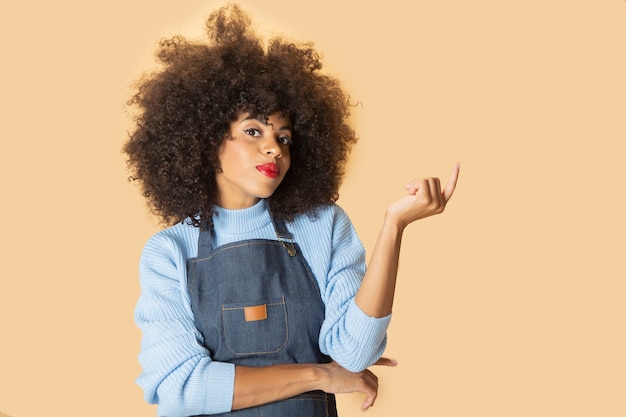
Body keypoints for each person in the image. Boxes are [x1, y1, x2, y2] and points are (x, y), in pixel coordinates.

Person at [124, 4, 460, 416]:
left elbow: (353, 353)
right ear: (206, 141)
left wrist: (394, 225)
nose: (273, 148)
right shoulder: (169, 251)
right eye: (253, 131)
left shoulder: (323, 225)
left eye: (284, 137)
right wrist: (319, 376)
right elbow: (183, 387)